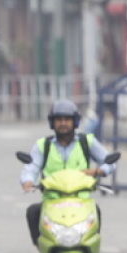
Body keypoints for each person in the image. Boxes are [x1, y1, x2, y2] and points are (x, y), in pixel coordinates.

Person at [19, 99, 117, 245]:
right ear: (52, 123)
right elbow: (31, 167)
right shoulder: (43, 145)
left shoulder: (87, 142)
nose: (63, 123)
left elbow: (109, 161)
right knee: (33, 212)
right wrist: (27, 181)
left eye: (67, 119)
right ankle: (42, 250)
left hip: (81, 202)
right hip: (52, 202)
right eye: (58, 120)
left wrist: (98, 171)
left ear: (75, 122)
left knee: (95, 211)